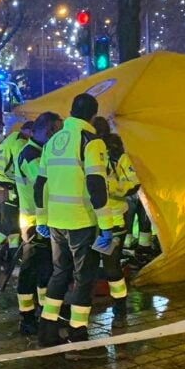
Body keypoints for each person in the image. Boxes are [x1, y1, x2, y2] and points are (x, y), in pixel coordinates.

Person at [34, 93, 113, 352]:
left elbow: (40, 183)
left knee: (59, 273)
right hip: (82, 221)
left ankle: (47, 330)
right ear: (92, 115)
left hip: (56, 222)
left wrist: (41, 217)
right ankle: (78, 335)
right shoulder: (91, 142)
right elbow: (96, 185)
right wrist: (107, 225)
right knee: (84, 278)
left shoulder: (53, 140)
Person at [13, 114, 60, 334]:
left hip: (39, 220)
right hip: (33, 222)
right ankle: (27, 318)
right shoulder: (31, 156)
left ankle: (42, 311)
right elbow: (42, 185)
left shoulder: (38, 152)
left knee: (44, 269)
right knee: (30, 270)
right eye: (53, 131)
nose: (55, 136)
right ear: (45, 131)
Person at [0, 121, 33, 268]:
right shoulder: (19, 142)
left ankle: (12, 256)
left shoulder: (12, 138)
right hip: (5, 185)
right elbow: (22, 166)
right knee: (9, 223)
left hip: (1, 183)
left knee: (14, 223)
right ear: (29, 131)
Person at [104, 131, 139, 324]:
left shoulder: (119, 159)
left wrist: (114, 188)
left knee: (111, 264)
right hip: (96, 223)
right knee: (105, 264)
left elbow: (133, 184)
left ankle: (120, 306)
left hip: (114, 222)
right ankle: (118, 305)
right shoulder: (92, 159)